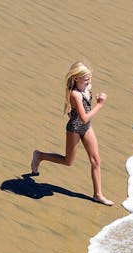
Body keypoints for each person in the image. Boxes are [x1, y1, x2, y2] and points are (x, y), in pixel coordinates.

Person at [31, 61, 114, 206]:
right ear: (76, 78)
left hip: (87, 127)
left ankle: (98, 195)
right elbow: (84, 117)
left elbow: (84, 112)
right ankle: (39, 155)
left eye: (90, 77)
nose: (89, 80)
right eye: (86, 78)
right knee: (68, 161)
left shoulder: (88, 87)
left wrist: (82, 107)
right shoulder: (75, 95)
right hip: (75, 128)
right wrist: (100, 104)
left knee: (96, 160)